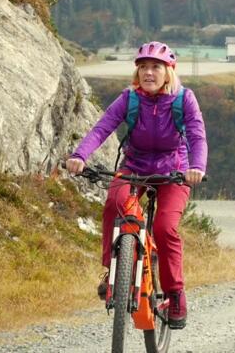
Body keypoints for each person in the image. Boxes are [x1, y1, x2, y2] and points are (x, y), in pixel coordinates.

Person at [66, 41, 207, 330]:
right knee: (115, 203)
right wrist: (80, 155)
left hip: (174, 172)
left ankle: (175, 294)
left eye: (156, 67)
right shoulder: (129, 99)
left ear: (169, 72)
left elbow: (197, 136)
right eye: (143, 67)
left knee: (165, 228)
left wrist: (197, 167)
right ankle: (113, 273)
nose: (148, 73)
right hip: (135, 166)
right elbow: (103, 127)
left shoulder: (184, 99)